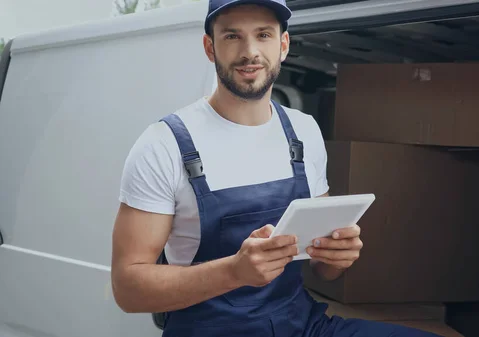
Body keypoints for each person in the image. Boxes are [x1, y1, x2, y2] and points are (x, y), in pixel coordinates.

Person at [110, 0, 442, 336]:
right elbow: (128, 288)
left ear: (283, 45)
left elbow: (322, 269)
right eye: (232, 37)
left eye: (264, 35)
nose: (250, 51)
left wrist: (335, 256)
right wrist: (234, 272)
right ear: (210, 47)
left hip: (303, 325)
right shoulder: (163, 144)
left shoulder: (304, 131)